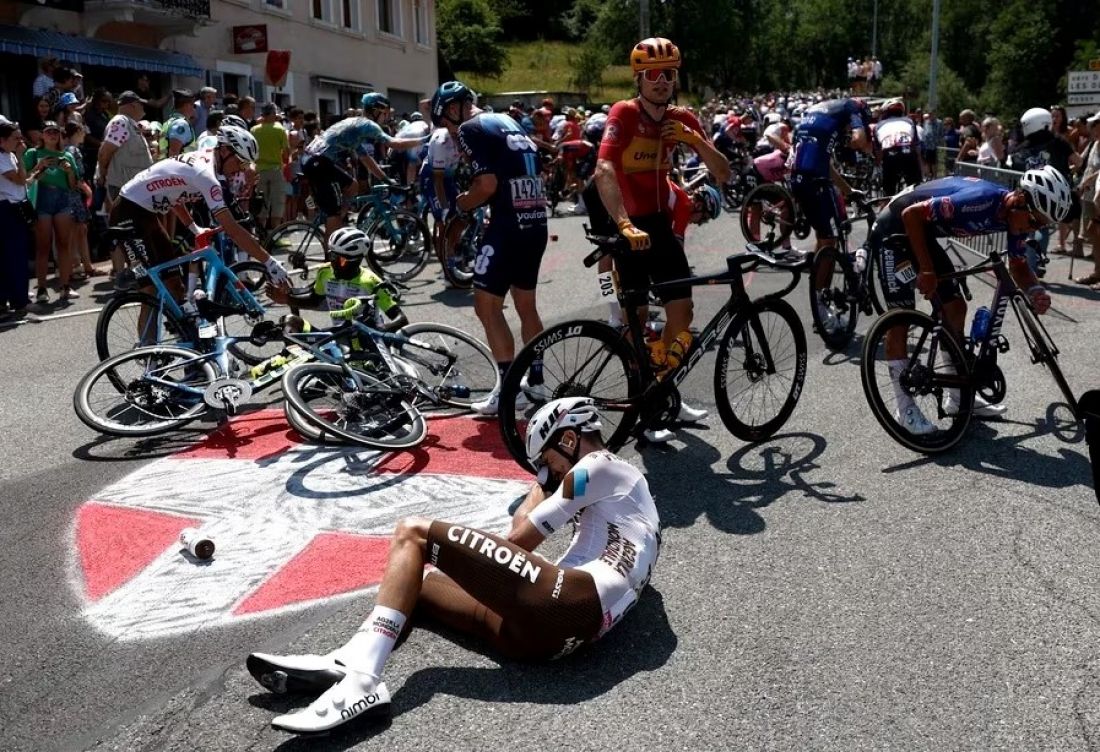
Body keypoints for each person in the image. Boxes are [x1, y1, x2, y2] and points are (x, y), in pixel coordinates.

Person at [245, 396, 661, 735]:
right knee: (419, 587)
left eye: (548, 462)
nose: (547, 475)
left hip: (565, 604)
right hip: (551, 642)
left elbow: (519, 540)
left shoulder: (598, 466)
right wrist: (545, 479)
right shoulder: (632, 504)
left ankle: (362, 680)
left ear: (569, 439)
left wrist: (541, 486)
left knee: (415, 534)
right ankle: (348, 661)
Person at [867, 167, 1071, 433]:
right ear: (1020, 200)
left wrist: (1035, 291)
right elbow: (911, 214)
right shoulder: (980, 200)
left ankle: (957, 396)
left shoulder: (1016, 217)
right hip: (894, 229)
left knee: (954, 308)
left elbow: (1019, 266)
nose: (1034, 229)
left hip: (922, 232)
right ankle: (904, 408)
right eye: (1035, 222)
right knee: (899, 321)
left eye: (1042, 226)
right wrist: (927, 271)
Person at [442, 82, 552, 415]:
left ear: (452, 110)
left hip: (508, 226)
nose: (449, 135)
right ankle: (536, 382)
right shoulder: (507, 121)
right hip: (535, 221)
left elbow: (486, 185)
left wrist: (461, 204)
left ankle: (509, 388)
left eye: (445, 125)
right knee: (526, 305)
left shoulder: (469, 128)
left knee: (486, 306)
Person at [108, 126, 288, 305]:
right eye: (240, 162)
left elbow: (175, 195)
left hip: (148, 213)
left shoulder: (212, 160)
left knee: (176, 287)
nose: (241, 169)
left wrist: (194, 228)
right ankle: (145, 326)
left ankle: (184, 328)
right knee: (151, 290)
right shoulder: (205, 174)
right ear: (224, 151)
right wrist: (269, 262)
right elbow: (232, 229)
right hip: (127, 212)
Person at [300, 97, 424, 238]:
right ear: (376, 111)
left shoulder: (355, 125)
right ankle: (333, 252)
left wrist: (385, 179)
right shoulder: (368, 125)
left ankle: (338, 221)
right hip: (319, 163)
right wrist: (424, 139)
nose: (387, 118)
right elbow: (395, 143)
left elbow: (366, 159)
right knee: (333, 212)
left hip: (313, 159)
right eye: (385, 114)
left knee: (353, 186)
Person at [266, 226, 406, 330]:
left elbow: (401, 320)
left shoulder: (371, 282)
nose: (332, 261)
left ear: (355, 260)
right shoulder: (325, 272)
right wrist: (286, 298)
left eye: (338, 258)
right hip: (336, 337)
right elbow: (315, 301)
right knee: (290, 322)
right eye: (331, 255)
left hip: (368, 341)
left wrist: (380, 331)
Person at [95, 91, 154, 280]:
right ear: (133, 105)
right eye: (141, 104)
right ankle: (125, 275)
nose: (144, 108)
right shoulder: (120, 122)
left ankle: (133, 274)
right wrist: (103, 177)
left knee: (132, 233)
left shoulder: (130, 125)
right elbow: (105, 152)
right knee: (127, 233)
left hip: (133, 189)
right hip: (123, 188)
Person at [24, 121, 79, 303]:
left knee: (64, 243)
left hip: (62, 198)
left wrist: (69, 171)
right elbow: (25, 179)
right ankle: (41, 288)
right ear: (42, 135)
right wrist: (40, 167)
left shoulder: (66, 156)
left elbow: (73, 185)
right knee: (43, 246)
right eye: (48, 132)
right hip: (41, 198)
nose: (52, 135)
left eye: (56, 132)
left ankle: (65, 285)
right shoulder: (33, 153)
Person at [0, 122, 33, 314]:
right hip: (6, 209)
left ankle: (15, 298)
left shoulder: (9, 155)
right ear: (2, 140)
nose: (20, 141)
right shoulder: (3, 157)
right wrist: (21, 157)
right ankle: (18, 301)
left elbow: (24, 178)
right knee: (12, 256)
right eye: (15, 138)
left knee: (16, 255)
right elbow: (19, 178)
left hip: (15, 207)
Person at [251, 102, 290, 232]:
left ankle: (261, 232)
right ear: (272, 114)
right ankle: (276, 233)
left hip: (259, 170)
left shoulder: (254, 130)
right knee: (277, 202)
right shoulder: (279, 129)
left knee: (262, 203)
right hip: (275, 170)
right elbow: (286, 152)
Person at [874, 98, 922, 196]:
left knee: (888, 191)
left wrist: (878, 164)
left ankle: (887, 203)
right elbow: (916, 147)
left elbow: (879, 152)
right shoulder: (910, 121)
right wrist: (920, 166)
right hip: (908, 155)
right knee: (916, 188)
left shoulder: (878, 126)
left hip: (890, 156)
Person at [160, 89, 197, 158]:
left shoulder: (169, 122)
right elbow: (174, 152)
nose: (194, 109)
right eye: (193, 105)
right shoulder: (181, 123)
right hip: (177, 167)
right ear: (187, 105)